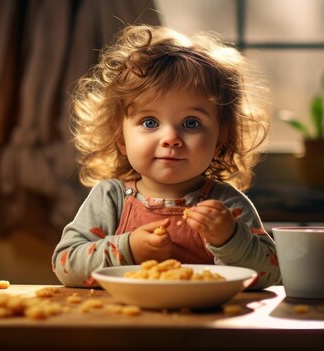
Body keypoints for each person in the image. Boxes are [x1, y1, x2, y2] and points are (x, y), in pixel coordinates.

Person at [52, 24, 280, 289]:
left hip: (208, 325)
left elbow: (271, 273)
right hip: (123, 322)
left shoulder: (227, 204)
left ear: (221, 140)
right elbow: (66, 265)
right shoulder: (109, 199)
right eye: (150, 122)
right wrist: (128, 248)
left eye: (191, 123)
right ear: (120, 139)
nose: (171, 138)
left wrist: (229, 238)